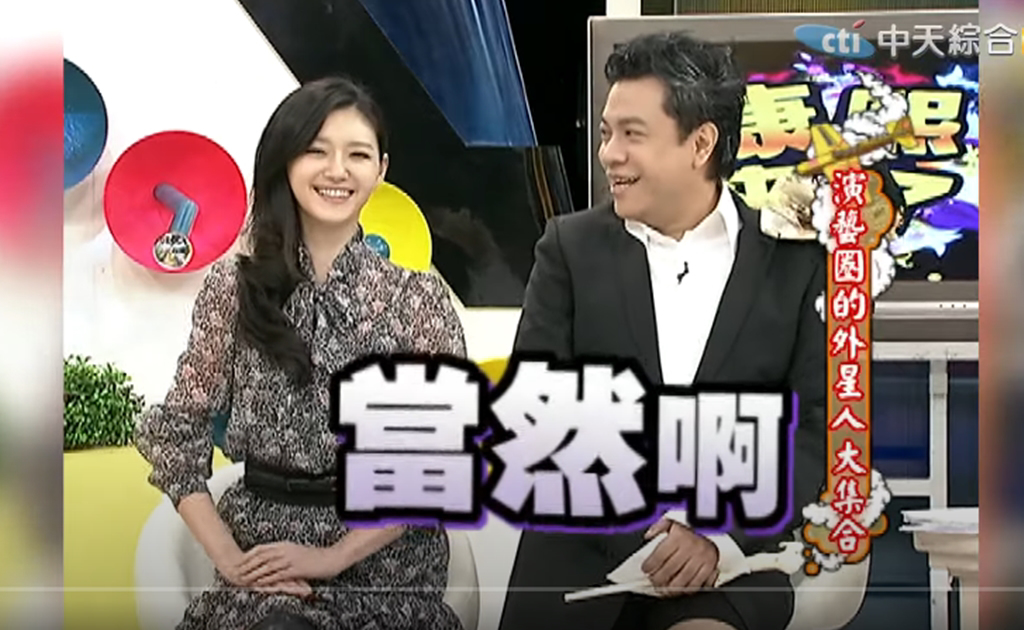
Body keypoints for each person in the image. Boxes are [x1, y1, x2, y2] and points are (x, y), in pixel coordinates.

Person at [497, 32, 827, 630]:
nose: (609, 154)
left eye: (632, 134)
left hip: (727, 562)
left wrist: (717, 533)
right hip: (581, 558)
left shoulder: (794, 261)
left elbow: (814, 432)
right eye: (606, 133)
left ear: (700, 143)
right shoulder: (570, 249)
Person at [135, 76, 466, 630]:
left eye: (357, 154)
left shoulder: (417, 299)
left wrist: (333, 557)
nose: (337, 170)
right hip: (266, 553)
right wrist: (231, 561)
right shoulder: (233, 290)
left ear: (381, 170)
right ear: (285, 161)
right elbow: (177, 436)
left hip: (383, 562)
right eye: (316, 151)